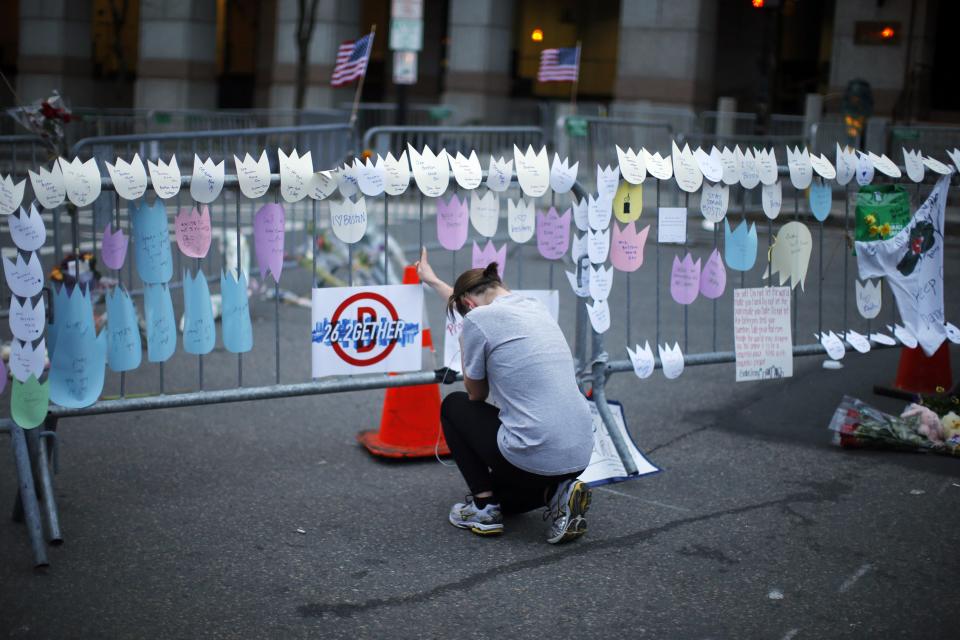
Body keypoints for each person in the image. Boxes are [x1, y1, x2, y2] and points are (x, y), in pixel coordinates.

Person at [415, 247, 594, 543]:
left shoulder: (476, 320)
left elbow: (476, 394)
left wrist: (464, 340)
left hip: (534, 450)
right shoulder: (533, 305)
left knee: (454, 406)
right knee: (509, 503)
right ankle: (559, 493)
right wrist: (433, 280)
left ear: (469, 306)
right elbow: (470, 299)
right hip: (580, 452)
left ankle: (483, 507)